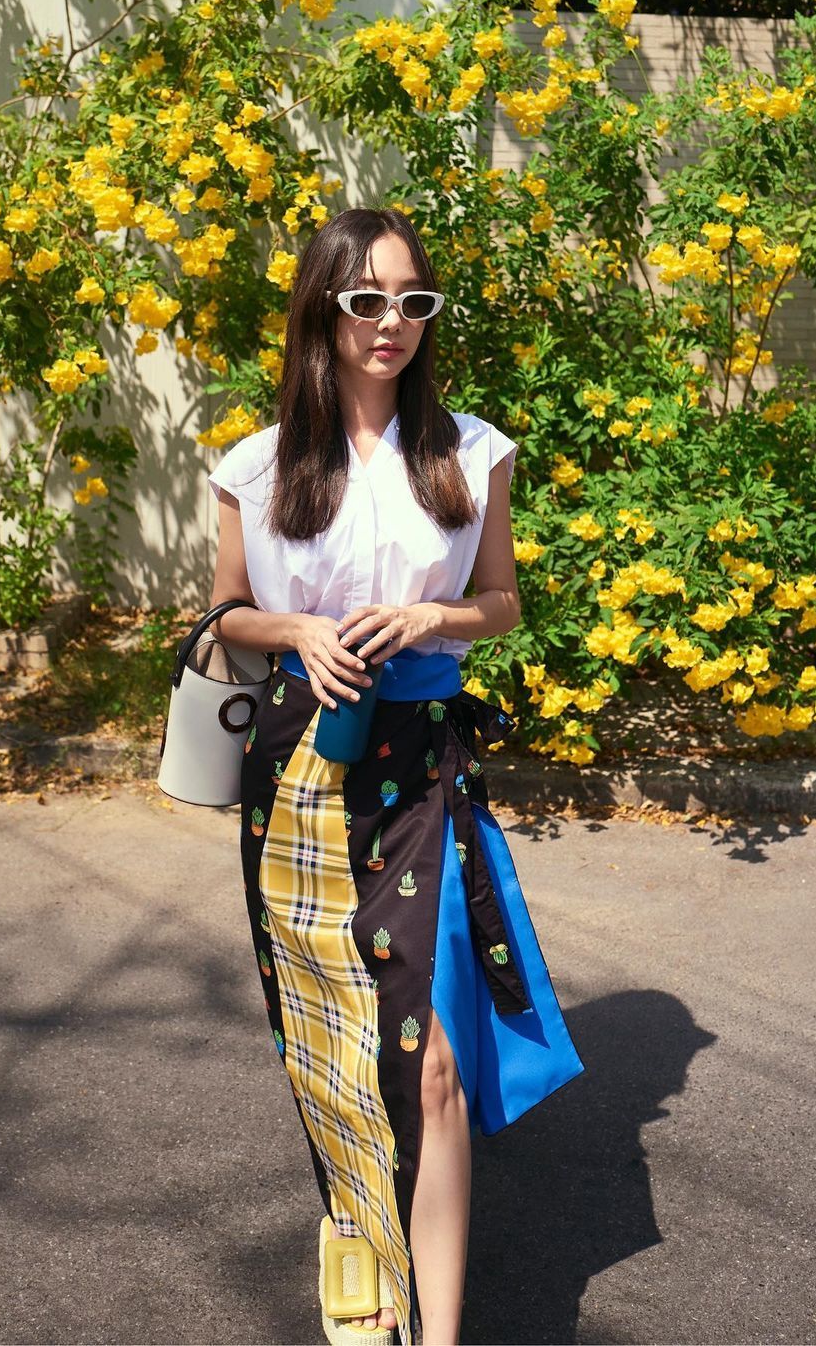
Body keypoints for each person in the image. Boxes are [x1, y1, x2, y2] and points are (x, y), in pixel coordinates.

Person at [206, 206, 586, 1346]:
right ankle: (358, 1230)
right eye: (367, 300)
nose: (392, 323)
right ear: (321, 309)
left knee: (432, 1063)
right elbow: (223, 617)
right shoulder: (258, 463)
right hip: (302, 769)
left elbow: (503, 603)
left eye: (414, 302)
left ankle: (439, 1330)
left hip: (421, 765)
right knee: (330, 1029)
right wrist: (295, 632)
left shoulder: (471, 451)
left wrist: (433, 615)